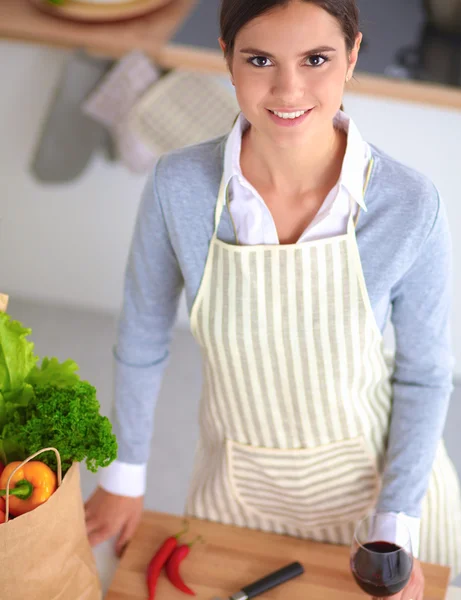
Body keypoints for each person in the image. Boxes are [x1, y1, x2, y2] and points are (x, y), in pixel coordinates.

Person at [84, 1, 461, 598]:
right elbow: (142, 335)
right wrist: (126, 474)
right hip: (235, 489)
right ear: (227, 59)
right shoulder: (177, 186)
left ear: (354, 53)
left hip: (378, 496)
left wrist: (393, 528)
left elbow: (425, 374)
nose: (289, 88)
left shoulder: (410, 204)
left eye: (316, 59)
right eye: (260, 59)